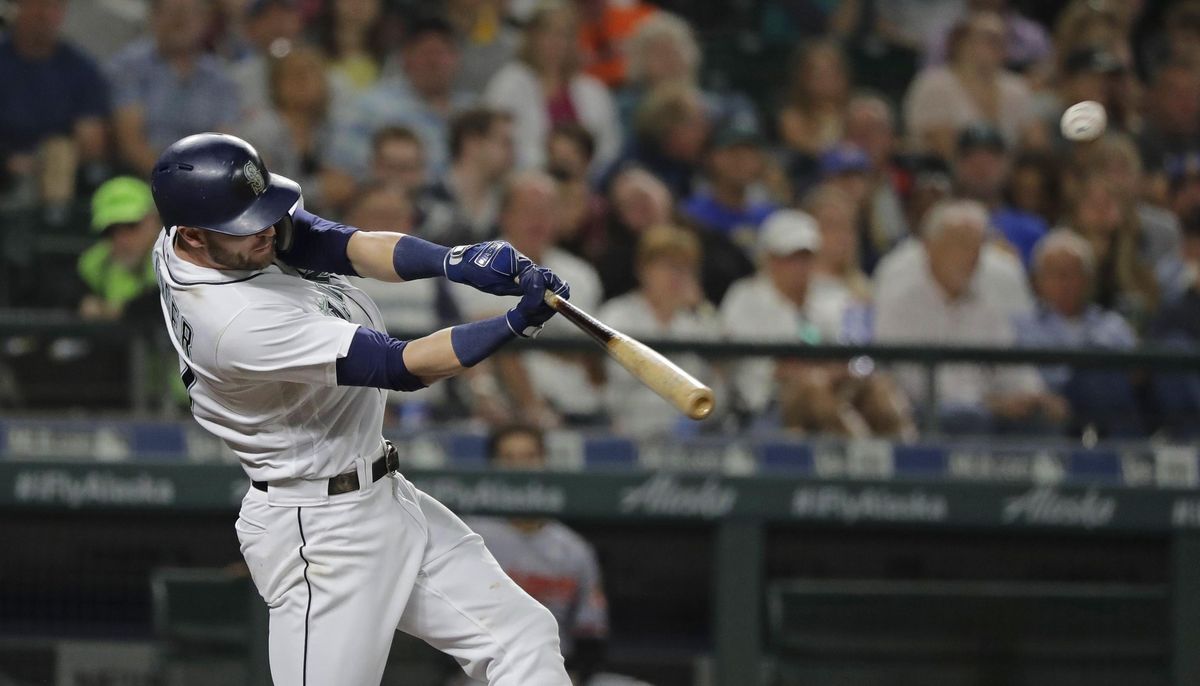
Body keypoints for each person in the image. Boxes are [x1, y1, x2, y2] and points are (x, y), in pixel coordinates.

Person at [149, 132, 571, 684]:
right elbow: (403, 367)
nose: (266, 231)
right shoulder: (233, 325)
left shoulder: (205, 229)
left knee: (522, 636)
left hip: (382, 494)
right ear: (195, 237)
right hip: (320, 531)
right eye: (246, 225)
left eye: (264, 215)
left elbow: (335, 243)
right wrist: (515, 322)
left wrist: (453, 259)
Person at [874, 199, 1066, 434]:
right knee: (966, 417)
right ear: (929, 247)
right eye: (960, 245)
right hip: (924, 412)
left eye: (977, 247)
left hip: (986, 410)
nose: (970, 257)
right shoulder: (901, 303)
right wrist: (991, 403)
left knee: (1042, 417)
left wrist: (1033, 396)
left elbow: (1012, 368)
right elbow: (916, 385)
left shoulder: (985, 305)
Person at [720, 210, 913, 437]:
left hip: (833, 390)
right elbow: (764, 371)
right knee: (812, 385)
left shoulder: (830, 296)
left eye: (806, 257)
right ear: (769, 259)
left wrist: (831, 370)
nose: (799, 266)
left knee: (878, 385)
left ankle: (912, 452)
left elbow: (854, 357)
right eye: (790, 257)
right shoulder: (745, 298)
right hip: (766, 405)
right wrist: (816, 370)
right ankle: (858, 451)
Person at [450, 170, 604, 426]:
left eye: (546, 211)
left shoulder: (582, 275)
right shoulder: (478, 264)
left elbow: (592, 355)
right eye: (527, 211)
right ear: (504, 215)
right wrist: (562, 345)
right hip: (508, 414)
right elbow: (484, 337)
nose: (538, 221)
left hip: (581, 407)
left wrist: (530, 335)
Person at [467, 424, 610, 682]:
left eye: (529, 457)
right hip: (484, 670)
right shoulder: (469, 534)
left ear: (544, 462)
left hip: (554, 670)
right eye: (508, 459)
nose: (520, 467)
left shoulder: (573, 548)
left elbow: (591, 634)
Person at [1013, 229, 1143, 436]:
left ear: (1088, 279)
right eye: (1055, 273)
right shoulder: (1020, 326)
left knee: (1097, 370)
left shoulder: (1112, 325)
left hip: (1108, 410)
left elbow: (1135, 375)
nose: (1065, 282)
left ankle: (1128, 457)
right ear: (1037, 281)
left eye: (1073, 273)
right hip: (1050, 411)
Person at [597, 225, 723, 437]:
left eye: (685, 268)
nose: (676, 276)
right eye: (668, 266)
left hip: (689, 438)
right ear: (643, 269)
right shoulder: (616, 315)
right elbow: (613, 379)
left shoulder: (700, 321)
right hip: (627, 430)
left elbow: (717, 387)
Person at [483, 0, 622, 175]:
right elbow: (495, 142)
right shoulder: (509, 83)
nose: (555, 42)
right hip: (526, 181)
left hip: (585, 184)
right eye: (547, 33)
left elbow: (609, 149)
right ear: (532, 37)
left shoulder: (592, 89)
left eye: (563, 34)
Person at [329, 15, 472, 180]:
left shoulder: (471, 111)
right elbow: (342, 168)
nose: (434, 62)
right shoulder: (369, 107)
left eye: (442, 53)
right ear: (405, 57)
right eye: (426, 53)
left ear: (457, 59)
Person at [108, 0, 241, 176]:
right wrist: (172, 179)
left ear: (205, 20)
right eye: (172, 12)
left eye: (189, 12)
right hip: (140, 177)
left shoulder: (220, 78)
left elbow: (224, 142)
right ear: (153, 16)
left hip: (204, 181)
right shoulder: (128, 68)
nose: (180, 21)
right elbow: (131, 142)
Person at [0, 0, 111, 208]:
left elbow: (92, 137)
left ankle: (53, 223)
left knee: (59, 151)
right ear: (18, 7)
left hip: (58, 169)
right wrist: (9, 162)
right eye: (36, 5)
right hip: (6, 164)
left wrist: (50, 160)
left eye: (52, 6)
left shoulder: (80, 68)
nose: (43, 15)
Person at [902, 10, 1039, 160]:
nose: (999, 47)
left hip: (1007, 179)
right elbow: (942, 147)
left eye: (1003, 41)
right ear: (962, 43)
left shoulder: (1016, 89)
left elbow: (1034, 144)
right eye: (990, 39)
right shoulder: (934, 85)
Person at [952, 122, 1048, 267]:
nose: (981, 166)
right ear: (957, 165)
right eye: (971, 158)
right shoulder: (939, 226)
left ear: (1007, 165)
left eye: (991, 158)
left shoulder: (1031, 230)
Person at [418, 107, 514, 245]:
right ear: (472, 143)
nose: (512, 152)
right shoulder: (426, 199)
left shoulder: (505, 205)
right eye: (505, 143)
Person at [76, 176, 161, 322]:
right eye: (111, 231)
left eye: (130, 226)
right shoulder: (93, 264)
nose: (121, 239)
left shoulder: (178, 261)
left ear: (153, 220)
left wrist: (123, 310)